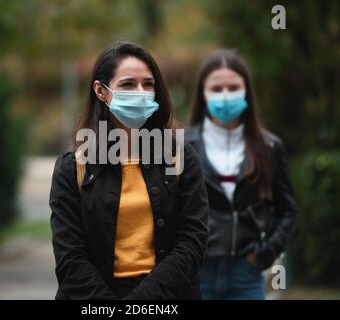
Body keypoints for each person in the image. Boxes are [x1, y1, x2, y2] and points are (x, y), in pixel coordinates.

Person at [49, 41, 208, 300]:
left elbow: (192, 243)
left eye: (148, 84)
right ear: (101, 91)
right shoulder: (73, 167)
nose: (141, 92)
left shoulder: (181, 158)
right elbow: (70, 258)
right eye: (127, 84)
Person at [186, 49, 298, 300]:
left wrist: (266, 252)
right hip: (194, 272)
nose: (225, 96)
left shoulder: (270, 148)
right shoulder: (180, 147)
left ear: (246, 89)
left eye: (233, 87)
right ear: (203, 95)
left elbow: (287, 210)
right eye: (216, 89)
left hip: (245, 273)